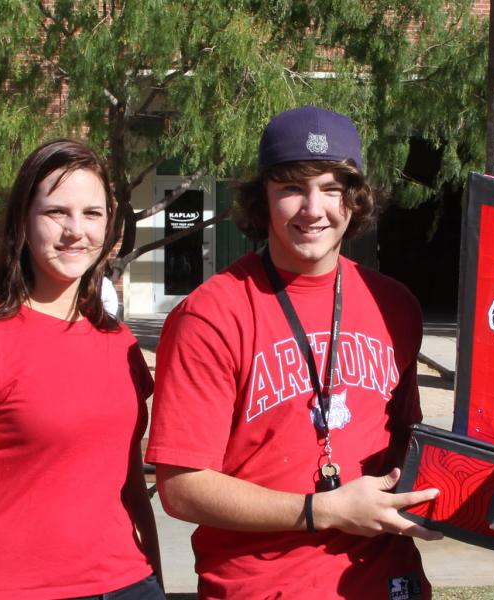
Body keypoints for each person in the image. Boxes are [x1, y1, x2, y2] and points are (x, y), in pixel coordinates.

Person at [146, 105, 441, 599]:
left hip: (388, 581)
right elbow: (182, 488)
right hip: (263, 587)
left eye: (331, 188)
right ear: (262, 199)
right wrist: (320, 509)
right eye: (291, 188)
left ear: (356, 198)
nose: (313, 208)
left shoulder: (396, 305)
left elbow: (411, 447)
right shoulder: (212, 314)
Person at [0, 139, 163, 599]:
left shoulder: (120, 342)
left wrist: (158, 581)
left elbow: (131, 487)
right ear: (23, 222)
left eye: (92, 214)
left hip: (131, 583)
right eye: (57, 213)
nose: (76, 230)